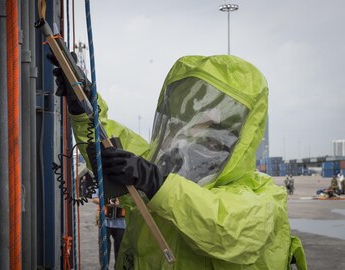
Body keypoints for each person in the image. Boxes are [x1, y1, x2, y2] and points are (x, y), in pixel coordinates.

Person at [51, 54, 307, 269]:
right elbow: (112, 145)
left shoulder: (262, 197)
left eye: (216, 135)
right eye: (194, 124)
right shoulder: (161, 169)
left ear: (242, 139)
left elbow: (224, 228)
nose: (200, 140)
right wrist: (82, 106)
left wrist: (157, 184)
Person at [92, 190, 126, 269]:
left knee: (121, 250)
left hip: (122, 222)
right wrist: (107, 202)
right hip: (105, 222)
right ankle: (104, 267)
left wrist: (122, 202)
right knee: (104, 248)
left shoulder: (125, 183)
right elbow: (94, 198)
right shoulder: (103, 181)